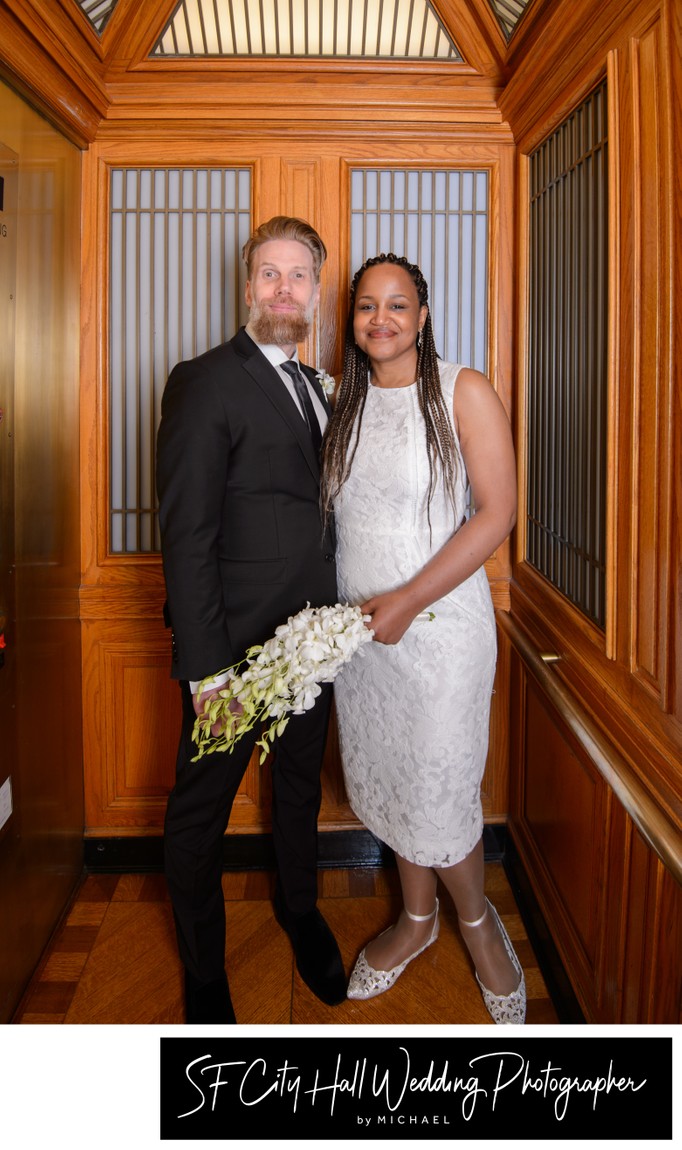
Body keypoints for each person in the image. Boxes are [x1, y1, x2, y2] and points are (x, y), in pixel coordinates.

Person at [320, 253, 525, 1024]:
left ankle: (476, 924)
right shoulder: (341, 400)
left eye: (397, 305)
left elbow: (496, 514)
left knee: (440, 786)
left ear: (423, 317)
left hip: (440, 633)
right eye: (367, 306)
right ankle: (416, 919)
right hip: (365, 642)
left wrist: (408, 598)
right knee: (396, 780)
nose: (381, 319)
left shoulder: (462, 389)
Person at [157, 216, 346, 1024]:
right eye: (268, 274)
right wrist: (205, 671)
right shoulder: (204, 380)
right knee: (199, 815)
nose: (282, 289)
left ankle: (298, 911)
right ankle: (204, 969)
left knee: (298, 789)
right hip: (234, 652)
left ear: (315, 293)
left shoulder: (321, 385)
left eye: (298, 275)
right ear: (246, 288)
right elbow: (187, 533)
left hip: (314, 642)